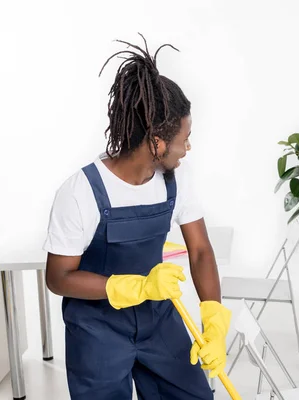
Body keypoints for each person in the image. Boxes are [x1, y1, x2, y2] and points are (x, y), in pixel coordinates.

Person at [43, 34, 230, 400]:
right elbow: (58, 277)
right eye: (185, 137)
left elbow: (201, 252)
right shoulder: (82, 191)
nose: (188, 148)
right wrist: (136, 287)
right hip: (97, 329)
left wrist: (214, 318)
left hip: (159, 319)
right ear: (158, 140)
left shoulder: (176, 180)